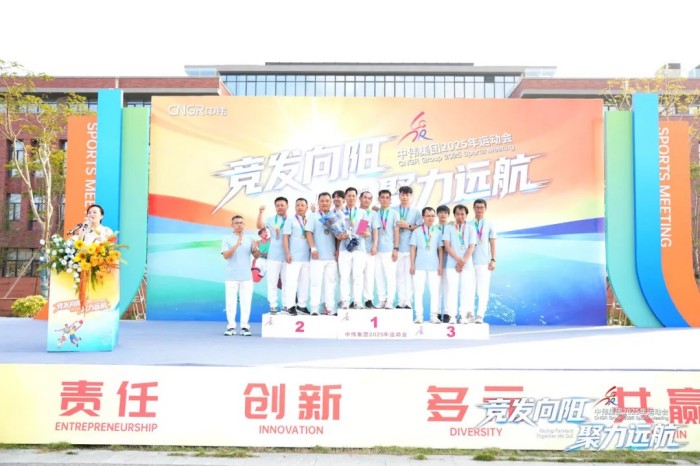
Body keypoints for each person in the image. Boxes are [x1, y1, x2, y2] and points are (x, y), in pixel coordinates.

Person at [221, 215, 259, 336]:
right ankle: (231, 327)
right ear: (232, 225)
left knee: (246, 302)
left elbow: (256, 255)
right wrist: (236, 245)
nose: (239, 225)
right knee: (230, 303)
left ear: (244, 225)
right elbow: (226, 256)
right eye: (236, 223)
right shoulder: (227, 239)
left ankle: (245, 327)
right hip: (231, 276)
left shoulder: (250, 239)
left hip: (246, 276)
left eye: (241, 223)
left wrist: (256, 250)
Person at [337, 187, 372, 309]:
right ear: (345, 197)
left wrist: (363, 233)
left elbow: (363, 230)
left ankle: (357, 301)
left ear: (356, 198)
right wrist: (340, 235)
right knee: (344, 276)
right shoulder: (339, 212)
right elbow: (336, 232)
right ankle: (345, 301)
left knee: (358, 275)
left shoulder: (362, 212)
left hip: (359, 248)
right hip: (344, 248)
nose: (351, 198)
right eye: (349, 195)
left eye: (353, 196)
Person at [442, 205, 477, 324]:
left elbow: (471, 247)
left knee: (465, 291)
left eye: (462, 214)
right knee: (452, 290)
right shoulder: (449, 228)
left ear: (466, 215)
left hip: (467, 265)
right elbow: (447, 246)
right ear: (454, 215)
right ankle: (452, 316)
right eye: (457, 214)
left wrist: (463, 262)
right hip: (452, 265)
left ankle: (463, 316)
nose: (460, 216)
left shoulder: (471, 228)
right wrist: (458, 260)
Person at [305, 192, 338, 316]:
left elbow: (338, 235)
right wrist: (313, 248)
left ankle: (330, 307)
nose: (324, 203)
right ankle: (314, 307)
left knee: (330, 283)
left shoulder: (334, 216)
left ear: (331, 202)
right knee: (315, 282)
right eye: (322, 201)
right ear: (318, 202)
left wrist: (337, 250)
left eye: (327, 201)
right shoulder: (313, 216)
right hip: (317, 256)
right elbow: (308, 232)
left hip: (331, 256)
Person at [409, 207, 443, 323]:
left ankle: (434, 316)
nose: (430, 218)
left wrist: (440, 266)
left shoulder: (438, 232)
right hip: (419, 266)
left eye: (433, 216)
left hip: (434, 266)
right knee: (419, 292)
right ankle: (419, 316)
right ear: (423, 217)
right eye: (428, 216)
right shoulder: (417, 231)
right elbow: (413, 248)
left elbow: (440, 250)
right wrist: (412, 265)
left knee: (435, 292)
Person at [257, 197, 288, 314]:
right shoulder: (270, 219)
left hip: (288, 256)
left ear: (287, 206)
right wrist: (260, 213)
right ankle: (273, 305)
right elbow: (260, 226)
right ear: (275, 207)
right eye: (277, 205)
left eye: (282, 205)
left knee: (286, 282)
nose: (280, 207)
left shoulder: (291, 219)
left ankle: (286, 305)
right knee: (272, 282)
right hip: (273, 255)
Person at [394, 186, 422, 309]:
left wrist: (408, 225)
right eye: (402, 194)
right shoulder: (393, 210)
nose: (405, 197)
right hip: (396, 249)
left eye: (407, 195)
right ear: (399, 196)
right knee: (399, 276)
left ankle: (408, 301)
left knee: (409, 276)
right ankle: (400, 301)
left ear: (411, 197)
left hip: (411, 249)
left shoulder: (416, 212)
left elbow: (421, 228)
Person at [282, 198, 311, 315]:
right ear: (295, 207)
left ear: (306, 207)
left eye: (302, 205)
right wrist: (287, 253)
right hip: (293, 257)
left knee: (304, 283)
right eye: (298, 205)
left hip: (307, 258)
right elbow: (285, 237)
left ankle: (302, 305)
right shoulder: (290, 220)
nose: (300, 207)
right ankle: (290, 306)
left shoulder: (309, 220)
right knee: (291, 282)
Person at [471, 198, 497, 324]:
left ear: (485, 209)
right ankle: (469, 314)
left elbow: (492, 242)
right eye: (477, 207)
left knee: (483, 290)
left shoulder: (490, 224)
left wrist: (493, 259)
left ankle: (480, 315)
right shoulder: (468, 224)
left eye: (481, 207)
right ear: (473, 208)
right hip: (469, 263)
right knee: (469, 290)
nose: (479, 209)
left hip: (484, 263)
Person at [373, 189, 400, 309]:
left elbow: (396, 231)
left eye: (387, 197)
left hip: (389, 249)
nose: (384, 199)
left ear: (390, 200)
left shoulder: (394, 213)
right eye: (382, 197)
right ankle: (382, 299)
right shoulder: (374, 213)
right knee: (378, 275)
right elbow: (363, 229)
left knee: (390, 276)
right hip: (375, 250)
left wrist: (396, 248)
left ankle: (390, 300)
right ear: (378, 199)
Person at [359, 190, 378, 308]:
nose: (367, 200)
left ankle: (368, 299)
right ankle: (355, 299)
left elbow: (375, 230)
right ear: (360, 199)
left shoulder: (373, 214)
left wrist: (374, 245)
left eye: (369, 198)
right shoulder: (355, 212)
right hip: (356, 249)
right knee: (356, 276)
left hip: (369, 249)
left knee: (369, 275)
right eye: (365, 197)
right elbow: (360, 231)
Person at [436, 204, 451, 321]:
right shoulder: (433, 228)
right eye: (441, 212)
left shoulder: (452, 228)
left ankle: (447, 313)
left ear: (449, 215)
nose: (443, 214)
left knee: (448, 288)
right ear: (437, 214)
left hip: (449, 263)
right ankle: (436, 312)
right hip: (435, 263)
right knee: (436, 289)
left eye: (445, 212)